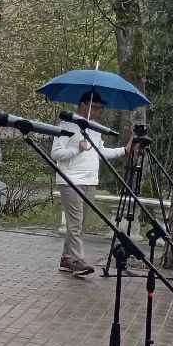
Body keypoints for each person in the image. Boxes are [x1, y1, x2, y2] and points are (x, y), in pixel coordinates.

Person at [50, 90, 129, 278]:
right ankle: (78, 261)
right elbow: (56, 153)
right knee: (75, 224)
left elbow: (101, 152)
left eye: (100, 108)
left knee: (80, 225)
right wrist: (77, 150)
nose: (98, 112)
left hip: (90, 181)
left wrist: (124, 151)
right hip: (70, 180)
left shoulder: (94, 129)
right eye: (95, 107)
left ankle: (66, 259)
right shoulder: (66, 125)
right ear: (83, 105)